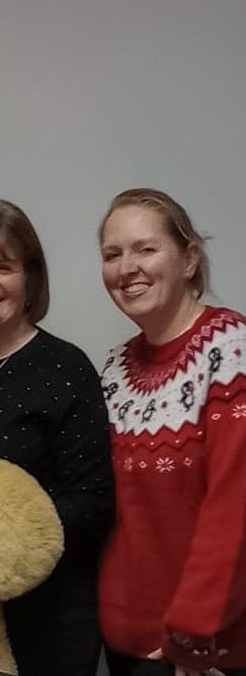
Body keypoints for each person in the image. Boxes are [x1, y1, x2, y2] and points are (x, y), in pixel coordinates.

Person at [0, 199, 114, 676]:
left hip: (47, 616)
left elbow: (92, 503)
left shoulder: (66, 369)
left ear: (30, 280)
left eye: (4, 267)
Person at [97, 188, 246, 676]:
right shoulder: (113, 368)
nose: (127, 268)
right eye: (112, 254)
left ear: (189, 259)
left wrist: (192, 631)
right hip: (125, 639)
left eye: (146, 248)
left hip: (209, 647)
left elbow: (235, 505)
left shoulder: (231, 350)